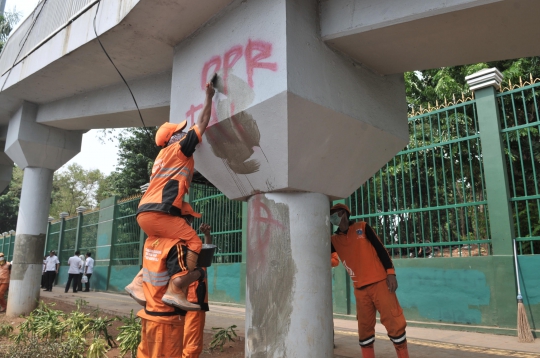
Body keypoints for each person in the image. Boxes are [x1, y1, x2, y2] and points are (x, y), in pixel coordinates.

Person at [126, 80, 215, 312]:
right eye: (180, 131)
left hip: (144, 212)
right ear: (173, 138)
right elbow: (203, 122)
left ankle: (138, 283)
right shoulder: (179, 149)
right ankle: (177, 287)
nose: (184, 132)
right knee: (194, 241)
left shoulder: (160, 157)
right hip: (159, 212)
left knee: (165, 244)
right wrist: (209, 97)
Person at [329, 203, 409, 358]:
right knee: (364, 330)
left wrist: (390, 273)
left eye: (334, 213)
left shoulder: (362, 227)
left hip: (380, 283)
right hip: (360, 289)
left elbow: (381, 249)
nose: (332, 218)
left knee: (394, 323)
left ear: (343, 213)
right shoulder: (334, 240)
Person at [183, 223, 212, 358]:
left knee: (188, 341)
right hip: (192, 302)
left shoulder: (183, 247)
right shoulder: (184, 248)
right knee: (191, 344)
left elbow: (207, 251)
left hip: (191, 301)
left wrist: (207, 235)